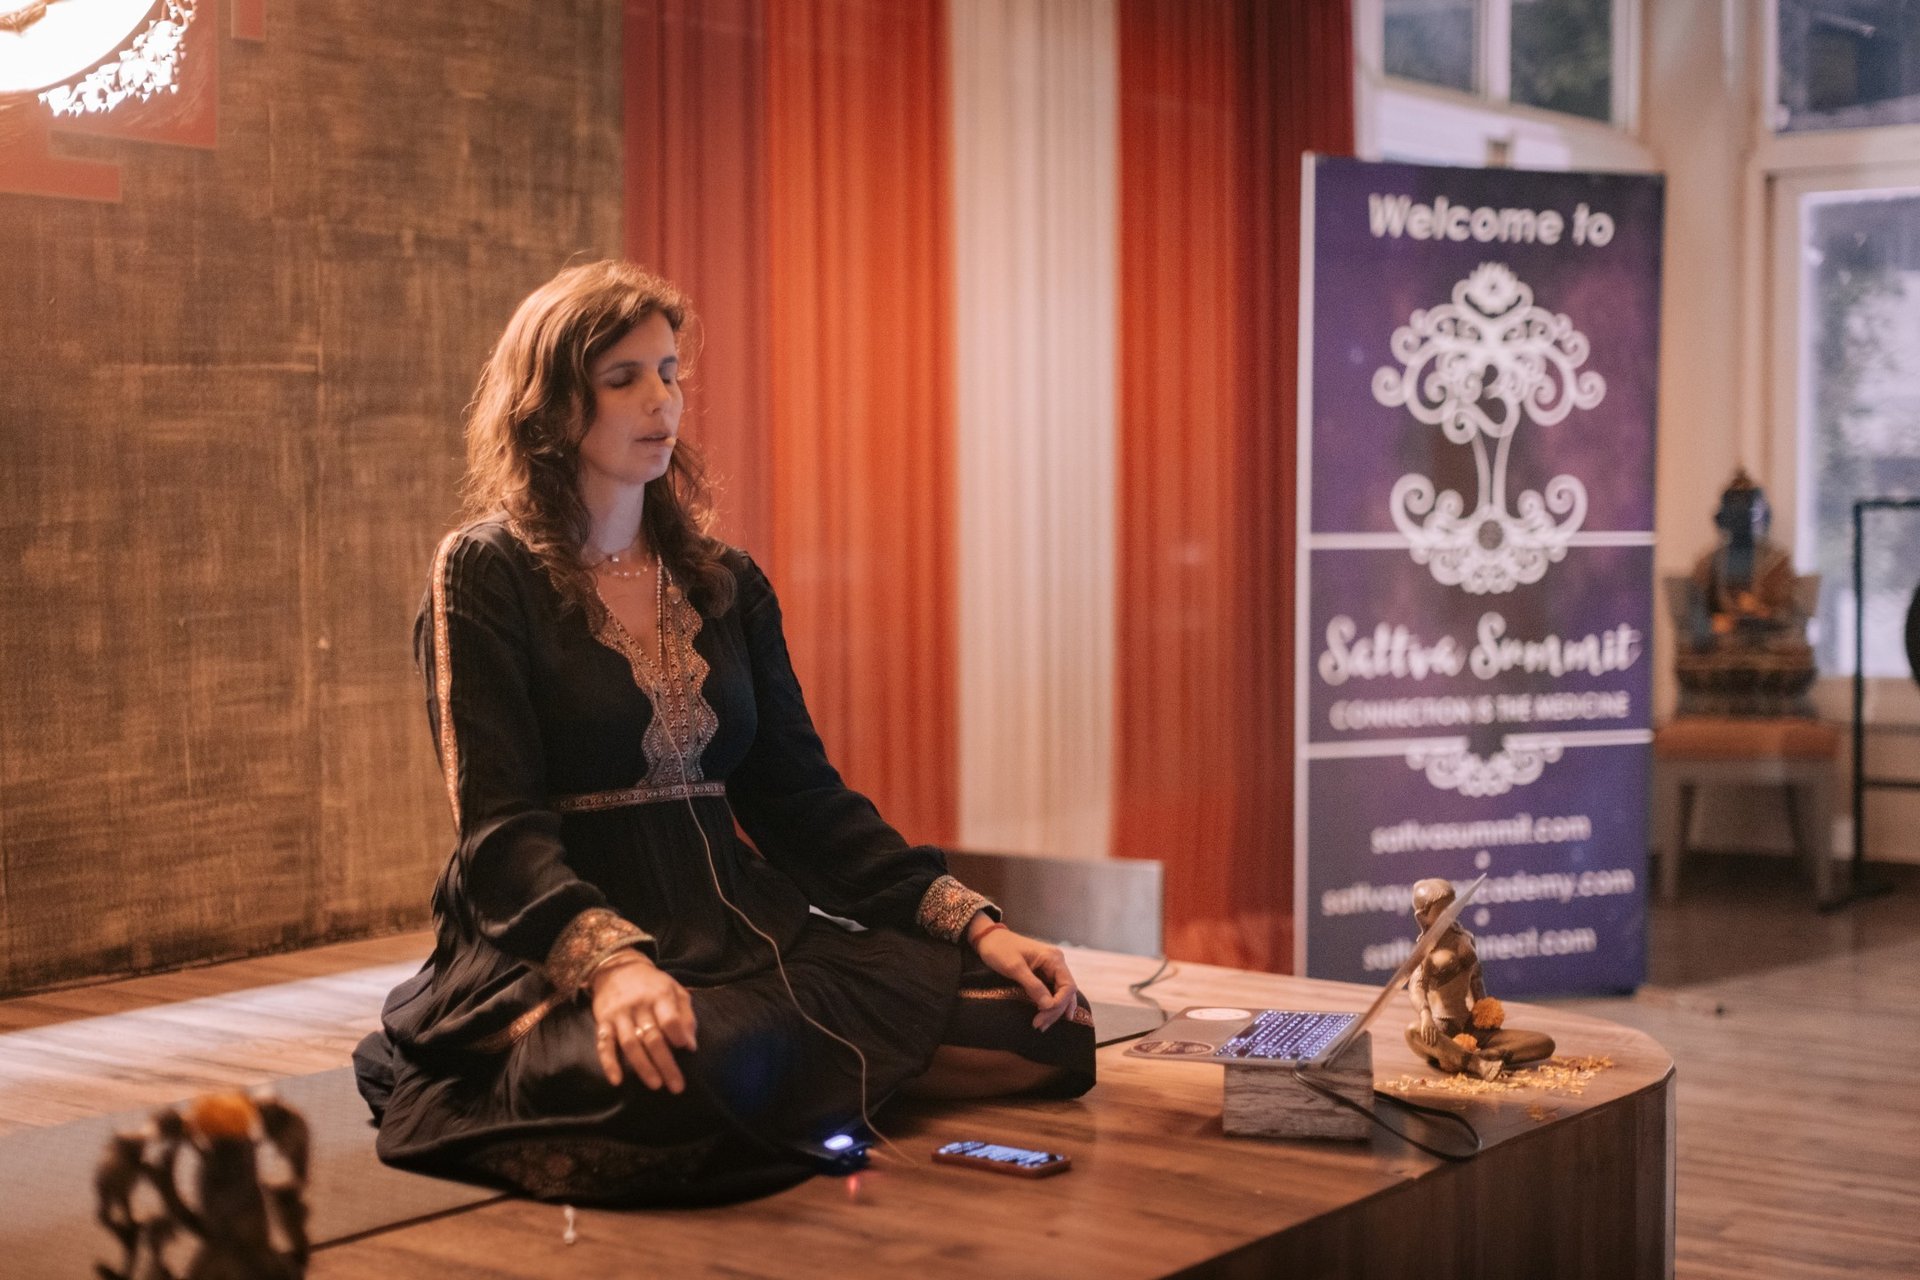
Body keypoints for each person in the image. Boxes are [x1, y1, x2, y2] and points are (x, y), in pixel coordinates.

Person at [352, 261, 1094, 1205]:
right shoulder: (482, 571)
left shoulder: (724, 580)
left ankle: (786, 1088)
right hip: (555, 940)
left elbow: (802, 802)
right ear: (547, 404)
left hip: (741, 933)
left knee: (1049, 1030)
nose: (661, 401)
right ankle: (760, 1080)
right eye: (623, 378)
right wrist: (614, 967)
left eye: (669, 372)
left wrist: (972, 922)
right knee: (685, 1065)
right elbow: (498, 829)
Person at [1402, 878, 1552, 1080]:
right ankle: (1475, 1064)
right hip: (1441, 1029)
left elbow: (1475, 976)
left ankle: (1487, 1055)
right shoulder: (1425, 952)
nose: (1451, 911)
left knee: (1544, 1042)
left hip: (1472, 1025)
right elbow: (1416, 987)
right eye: (1443, 909)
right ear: (1423, 917)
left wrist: (1484, 1010)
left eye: (1453, 905)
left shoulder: (1465, 937)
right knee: (1412, 1032)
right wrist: (1425, 1015)